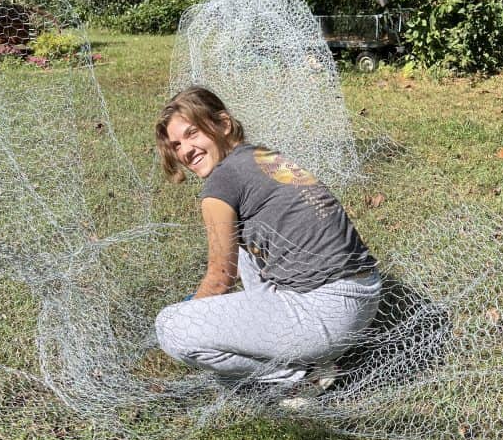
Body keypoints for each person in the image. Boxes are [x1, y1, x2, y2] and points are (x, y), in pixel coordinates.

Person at [154, 86, 381, 391]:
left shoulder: (221, 182)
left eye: (193, 133)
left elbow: (221, 279)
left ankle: (297, 378)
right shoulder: (262, 156)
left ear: (223, 123)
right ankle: (307, 357)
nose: (185, 151)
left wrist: (191, 313)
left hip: (324, 317)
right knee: (245, 241)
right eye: (177, 144)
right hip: (364, 298)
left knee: (171, 327)